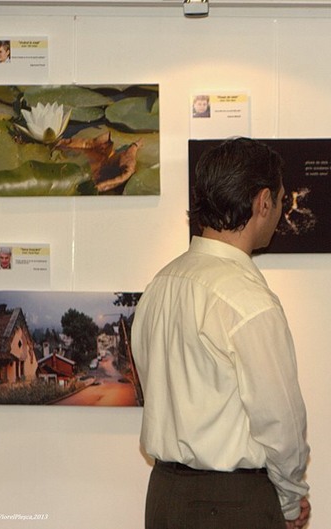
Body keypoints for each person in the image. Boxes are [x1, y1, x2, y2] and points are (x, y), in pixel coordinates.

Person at [132, 137, 311, 529]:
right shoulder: (248, 300)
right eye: (281, 200)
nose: (280, 210)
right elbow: (280, 423)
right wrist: (289, 499)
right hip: (231, 504)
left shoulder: (160, 286)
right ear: (263, 202)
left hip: (163, 496)